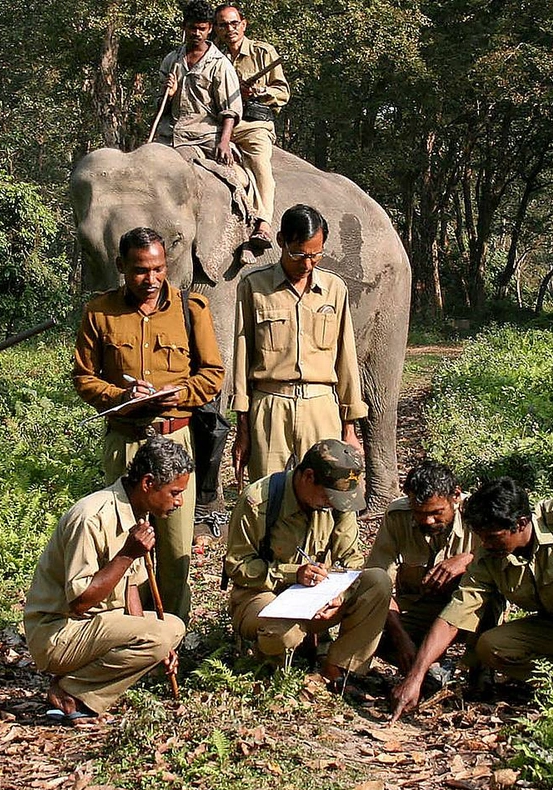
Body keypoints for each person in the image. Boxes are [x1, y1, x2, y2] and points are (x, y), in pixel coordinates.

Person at [391, 478, 553, 721]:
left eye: (493, 537)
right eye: (482, 537)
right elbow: (454, 616)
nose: (486, 544)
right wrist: (416, 676)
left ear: (521, 523)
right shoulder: (488, 558)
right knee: (492, 645)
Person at [72, 226, 224, 622]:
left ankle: (172, 630)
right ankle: (126, 629)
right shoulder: (99, 313)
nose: (152, 280)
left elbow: (212, 374)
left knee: (175, 547)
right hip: (126, 441)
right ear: (121, 267)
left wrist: (181, 394)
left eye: (158, 269)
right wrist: (121, 398)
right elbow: (84, 379)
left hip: (177, 443)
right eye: (140, 270)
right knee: (124, 539)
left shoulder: (192, 310)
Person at [24, 435, 190, 720]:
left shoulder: (139, 513)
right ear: (148, 484)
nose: (180, 501)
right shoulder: (91, 517)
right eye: (174, 492)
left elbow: (131, 590)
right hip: (59, 632)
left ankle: (78, 687)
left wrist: (155, 647)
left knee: (171, 627)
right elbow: (78, 603)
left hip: (95, 625)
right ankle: (71, 692)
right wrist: (127, 554)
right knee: (162, 632)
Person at [223, 439, 391, 685]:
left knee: (378, 582)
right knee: (282, 632)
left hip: (319, 598)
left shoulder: (338, 501)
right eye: (329, 496)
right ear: (309, 477)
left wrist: (340, 596)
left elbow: (352, 560)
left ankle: (336, 669)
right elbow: (237, 565)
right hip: (263, 596)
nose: (334, 503)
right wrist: (292, 574)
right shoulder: (259, 501)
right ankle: (270, 667)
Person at [231, 204, 368, 489]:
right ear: (281, 241)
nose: (307, 264)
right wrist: (242, 427)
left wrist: (350, 428)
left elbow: (346, 360)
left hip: (321, 407)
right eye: (298, 254)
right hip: (270, 406)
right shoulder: (253, 287)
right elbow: (242, 358)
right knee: (267, 497)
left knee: (329, 494)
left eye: (315, 255)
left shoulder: (335, 290)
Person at [366, 460, 490, 676]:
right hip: (420, 607)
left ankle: (477, 669)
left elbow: (504, 561)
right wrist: (400, 637)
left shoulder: (479, 512)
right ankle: (430, 666)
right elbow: (378, 583)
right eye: (419, 513)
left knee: (490, 631)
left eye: (436, 512)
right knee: (370, 635)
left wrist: (467, 559)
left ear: (456, 496)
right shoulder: (398, 516)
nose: (428, 521)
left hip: (470, 608)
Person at [214, 2, 290, 246]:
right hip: (223, 126)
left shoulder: (263, 52)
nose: (230, 29)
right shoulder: (214, 57)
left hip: (255, 124)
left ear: (243, 25)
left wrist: (259, 92)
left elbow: (283, 93)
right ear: (216, 29)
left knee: (259, 164)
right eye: (223, 25)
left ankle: (264, 224)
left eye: (234, 23)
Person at [156, 0, 243, 167]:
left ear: (210, 29)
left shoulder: (220, 64)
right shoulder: (171, 60)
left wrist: (224, 142)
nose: (196, 33)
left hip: (204, 136)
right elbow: (160, 108)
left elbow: (230, 111)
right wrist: (170, 96)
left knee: (233, 177)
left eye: (202, 29)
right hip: (169, 137)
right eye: (192, 28)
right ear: (184, 27)